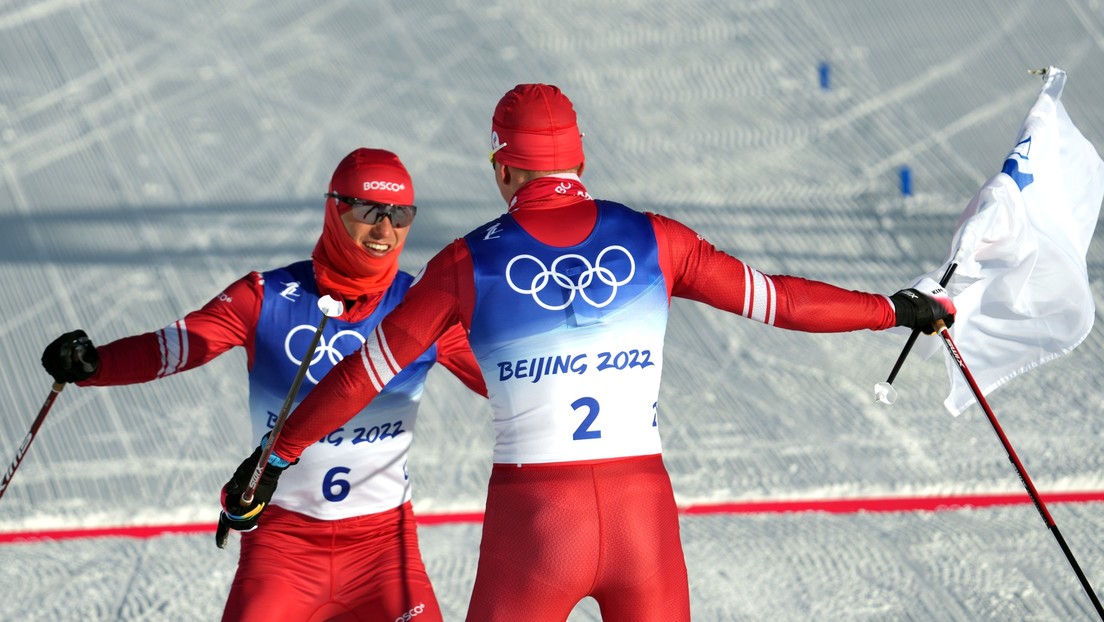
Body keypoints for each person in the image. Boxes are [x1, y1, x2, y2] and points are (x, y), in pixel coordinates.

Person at [216, 85, 956, 621]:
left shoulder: (465, 264)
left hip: (537, 523)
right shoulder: (654, 238)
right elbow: (781, 301)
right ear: (578, 159)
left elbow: (360, 378)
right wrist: (894, 309)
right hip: (644, 518)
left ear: (503, 169)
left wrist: (273, 459)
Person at [40, 148, 487, 622]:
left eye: (401, 215)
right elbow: (176, 346)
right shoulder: (265, 295)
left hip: (383, 552)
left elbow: (509, 381)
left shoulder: (424, 309)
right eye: (369, 210)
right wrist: (96, 365)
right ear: (334, 209)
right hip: (282, 550)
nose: (384, 230)